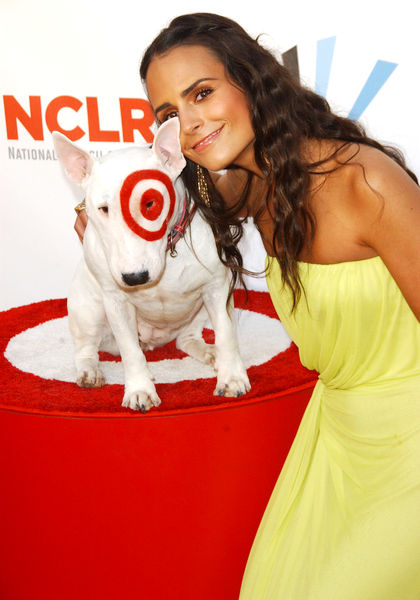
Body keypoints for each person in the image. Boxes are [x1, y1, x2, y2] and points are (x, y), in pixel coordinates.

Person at [75, 13, 420, 598]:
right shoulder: (251, 189)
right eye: (168, 114)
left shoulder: (366, 181)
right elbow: (151, 205)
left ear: (252, 80)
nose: (189, 122)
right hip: (336, 438)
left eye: (202, 93)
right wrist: (101, 214)